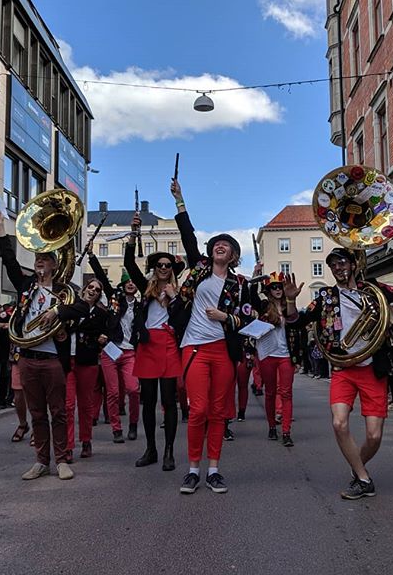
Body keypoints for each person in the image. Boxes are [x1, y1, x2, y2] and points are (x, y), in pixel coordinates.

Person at [283, 247, 393, 500]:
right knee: (339, 423)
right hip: (343, 369)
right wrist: (289, 301)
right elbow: (299, 320)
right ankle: (363, 479)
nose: (337, 268)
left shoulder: (373, 289)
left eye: (341, 263)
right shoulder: (326, 296)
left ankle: (357, 469)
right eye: (333, 265)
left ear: (352, 264)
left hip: (373, 369)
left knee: (374, 436)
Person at [0, 209, 89, 481]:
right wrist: (1, 228)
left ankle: (61, 460)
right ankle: (41, 461)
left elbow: (82, 309)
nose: (39, 262)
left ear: (53, 266)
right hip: (27, 357)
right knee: (36, 413)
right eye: (37, 258)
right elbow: (10, 262)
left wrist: (57, 312)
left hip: (52, 360)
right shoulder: (26, 286)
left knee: (58, 412)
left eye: (45, 259)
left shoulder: (64, 290)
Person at [170, 178, 252, 495]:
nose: (220, 245)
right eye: (217, 242)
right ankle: (192, 469)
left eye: (227, 244)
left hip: (223, 351)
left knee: (219, 411)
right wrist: (180, 199)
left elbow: (251, 315)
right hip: (194, 348)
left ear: (233, 255)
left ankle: (214, 470)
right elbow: (188, 235)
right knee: (199, 409)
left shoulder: (240, 284)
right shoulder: (201, 269)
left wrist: (226, 317)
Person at [124, 214, 185, 471]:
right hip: (148, 345)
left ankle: (169, 450)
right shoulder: (145, 288)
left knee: (169, 400)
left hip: (169, 344)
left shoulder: (179, 292)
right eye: (159, 264)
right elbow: (128, 262)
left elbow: (183, 319)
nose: (163, 267)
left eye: (167, 264)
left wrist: (175, 298)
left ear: (172, 269)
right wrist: (134, 233)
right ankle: (151, 448)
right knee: (147, 400)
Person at [88, 256, 141, 446]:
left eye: (133, 282)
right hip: (111, 350)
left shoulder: (141, 306)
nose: (130, 284)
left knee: (133, 390)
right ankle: (116, 429)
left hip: (130, 352)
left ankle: (133, 425)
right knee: (112, 393)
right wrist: (92, 257)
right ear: (123, 284)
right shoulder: (114, 299)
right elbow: (102, 276)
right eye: (127, 282)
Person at [250, 270, 305, 446]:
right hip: (267, 355)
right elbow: (251, 297)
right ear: (268, 291)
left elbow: (294, 319)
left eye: (279, 286)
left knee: (286, 393)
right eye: (273, 287)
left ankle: (286, 431)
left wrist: (291, 298)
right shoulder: (264, 307)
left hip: (285, 355)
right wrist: (256, 276)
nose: (277, 289)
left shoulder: (288, 304)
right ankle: (272, 426)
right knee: (271, 393)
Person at [65, 277, 110, 460]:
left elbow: (109, 331)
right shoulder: (72, 306)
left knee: (86, 404)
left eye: (97, 289)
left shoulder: (101, 314)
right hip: (68, 360)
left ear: (99, 295)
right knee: (68, 405)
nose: (93, 290)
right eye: (90, 287)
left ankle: (86, 440)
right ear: (84, 289)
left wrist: (102, 337)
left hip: (88, 361)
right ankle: (68, 446)